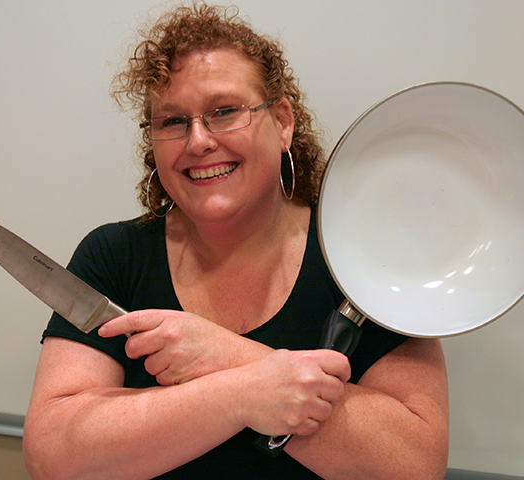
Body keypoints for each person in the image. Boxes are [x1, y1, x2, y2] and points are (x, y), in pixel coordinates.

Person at [23, 3, 449, 479]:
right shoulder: (114, 257)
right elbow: (53, 457)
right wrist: (238, 393)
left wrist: (225, 353)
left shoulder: (364, 259)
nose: (199, 141)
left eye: (225, 112)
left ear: (283, 121)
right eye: (173, 122)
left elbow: (414, 465)